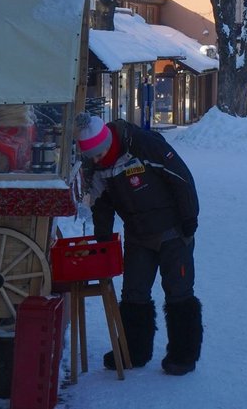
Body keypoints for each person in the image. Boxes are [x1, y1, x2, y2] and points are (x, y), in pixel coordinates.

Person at [76, 112, 202, 376]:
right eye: (93, 157)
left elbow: (181, 177)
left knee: (178, 292)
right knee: (134, 294)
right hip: (137, 235)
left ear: (109, 141)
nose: (98, 160)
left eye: (100, 154)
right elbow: (101, 207)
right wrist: (103, 242)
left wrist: (189, 218)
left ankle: (183, 355)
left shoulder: (144, 144)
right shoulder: (97, 168)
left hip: (172, 231)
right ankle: (134, 351)